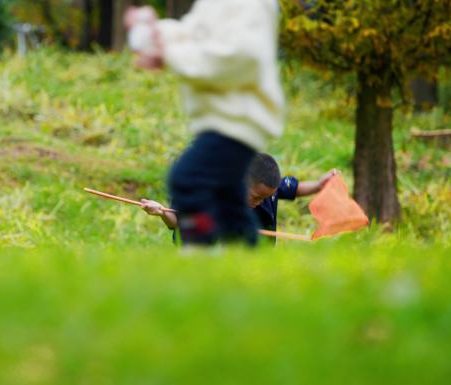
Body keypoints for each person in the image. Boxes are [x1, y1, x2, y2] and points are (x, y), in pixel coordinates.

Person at [125, 0, 285, 247]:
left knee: (187, 179)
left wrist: (169, 53)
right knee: (230, 200)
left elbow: (240, 55)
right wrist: (156, 34)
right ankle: (250, 263)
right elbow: (193, 33)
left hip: (241, 116)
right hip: (220, 118)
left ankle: (202, 252)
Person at [141, 153, 338, 244]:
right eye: (256, 197)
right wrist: (161, 212)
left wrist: (319, 185)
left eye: (266, 197)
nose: (260, 202)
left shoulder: (267, 188)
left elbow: (293, 189)